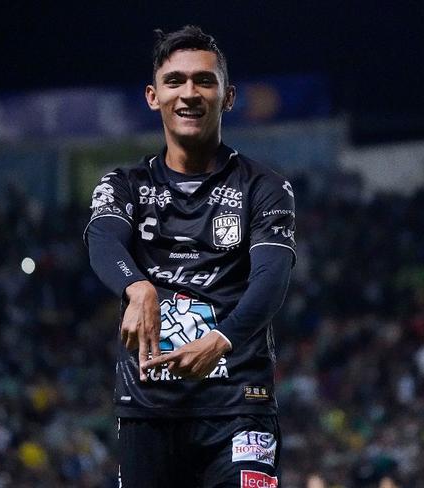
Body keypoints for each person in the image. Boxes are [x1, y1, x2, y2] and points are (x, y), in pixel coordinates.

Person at [84, 25, 295, 487]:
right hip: (149, 411)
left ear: (229, 96)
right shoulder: (124, 184)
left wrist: (222, 340)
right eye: (175, 81)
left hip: (240, 407)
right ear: (153, 96)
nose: (189, 93)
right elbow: (102, 238)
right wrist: (136, 286)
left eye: (204, 80)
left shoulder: (265, 187)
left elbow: (271, 281)